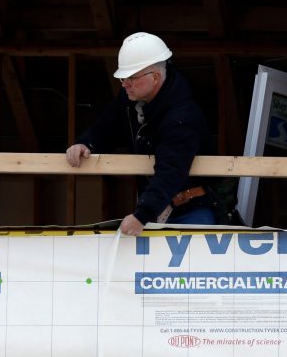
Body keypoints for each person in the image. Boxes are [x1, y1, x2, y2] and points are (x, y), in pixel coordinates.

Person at [66, 32, 217, 236]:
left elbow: (171, 170)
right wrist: (86, 143)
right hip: (157, 208)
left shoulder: (182, 117)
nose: (124, 83)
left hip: (191, 211)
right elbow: (107, 124)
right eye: (123, 78)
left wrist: (142, 214)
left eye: (131, 77)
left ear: (155, 77)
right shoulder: (131, 99)